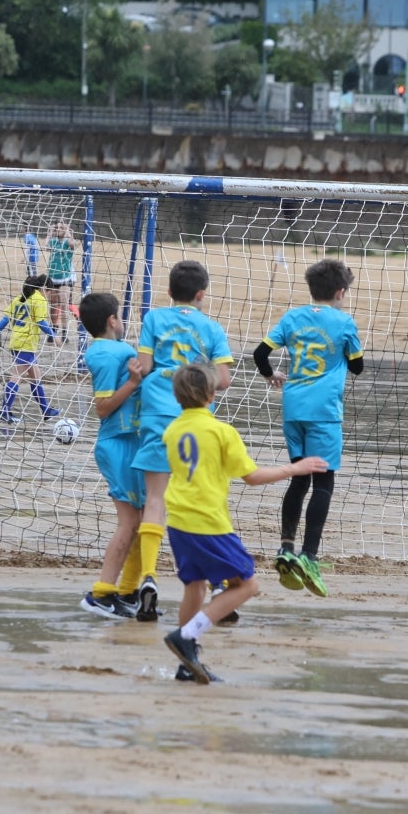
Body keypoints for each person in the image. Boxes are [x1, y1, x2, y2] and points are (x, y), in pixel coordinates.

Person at [161, 362, 328, 684]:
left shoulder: (172, 430)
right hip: (208, 522)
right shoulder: (222, 432)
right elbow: (251, 477)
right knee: (247, 584)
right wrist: (295, 469)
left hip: (178, 520)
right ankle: (187, 635)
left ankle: (186, 660)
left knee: (194, 585)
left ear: (177, 396)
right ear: (211, 394)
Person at [253, 259, 364, 598]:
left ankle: (286, 548)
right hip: (324, 411)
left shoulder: (292, 317)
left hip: (293, 407)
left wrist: (272, 375)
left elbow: (260, 354)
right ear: (341, 292)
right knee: (324, 482)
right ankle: (309, 556)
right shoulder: (345, 322)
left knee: (299, 478)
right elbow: (358, 367)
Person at [131, 260, 235, 622]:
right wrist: (196, 371)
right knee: (201, 499)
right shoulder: (211, 327)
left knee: (155, 499)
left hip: (157, 414)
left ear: (170, 292)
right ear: (202, 294)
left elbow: (142, 367)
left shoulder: (153, 319)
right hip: (195, 422)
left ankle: (148, 577)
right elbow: (223, 380)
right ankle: (220, 582)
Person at [76, 292, 147, 619]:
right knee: (131, 522)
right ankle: (102, 592)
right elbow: (102, 408)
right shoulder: (106, 353)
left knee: (142, 520)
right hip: (117, 444)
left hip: (131, 441)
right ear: (112, 321)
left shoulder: (113, 350)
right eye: (119, 315)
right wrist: (133, 382)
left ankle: (125, 592)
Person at [0, 273, 61, 424]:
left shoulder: (18, 299)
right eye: (49, 291)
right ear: (44, 288)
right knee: (17, 376)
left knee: (35, 376)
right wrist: (54, 335)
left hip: (17, 342)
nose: (49, 294)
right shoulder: (39, 300)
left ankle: (45, 410)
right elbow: (41, 322)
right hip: (26, 343)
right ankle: (5, 411)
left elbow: (5, 319)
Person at [45, 220, 76, 343]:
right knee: (52, 307)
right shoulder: (53, 242)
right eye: (57, 228)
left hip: (64, 278)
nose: (59, 229)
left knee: (63, 306)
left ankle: (64, 333)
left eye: (61, 228)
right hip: (52, 278)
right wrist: (50, 231)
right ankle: (53, 331)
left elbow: (72, 244)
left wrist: (67, 230)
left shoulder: (68, 242)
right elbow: (46, 245)